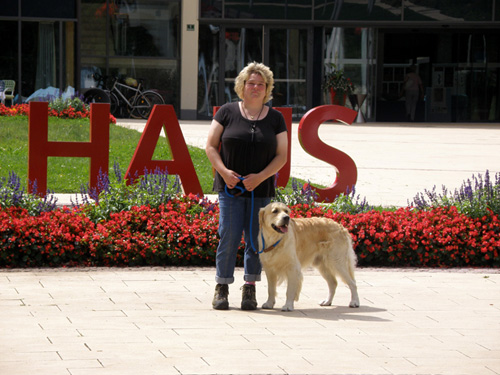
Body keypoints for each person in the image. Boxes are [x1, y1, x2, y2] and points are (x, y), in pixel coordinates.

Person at [205, 62, 288, 310]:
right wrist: (223, 172)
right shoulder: (227, 112)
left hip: (260, 192)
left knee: (256, 240)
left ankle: (249, 288)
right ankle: (222, 287)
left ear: (267, 89)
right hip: (230, 189)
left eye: (261, 84)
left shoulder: (275, 118)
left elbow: (282, 156)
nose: (255, 88)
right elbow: (210, 146)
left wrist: (260, 177)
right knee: (228, 236)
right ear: (242, 86)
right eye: (251, 83)